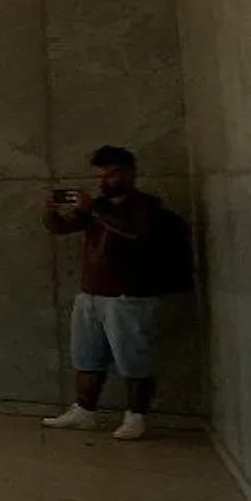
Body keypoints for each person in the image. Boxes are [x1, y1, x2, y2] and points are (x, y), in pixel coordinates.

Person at [41, 144, 168, 440]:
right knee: (87, 358)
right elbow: (62, 228)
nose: (103, 182)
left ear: (129, 174)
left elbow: (134, 231)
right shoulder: (100, 207)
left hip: (129, 295)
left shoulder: (145, 206)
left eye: (110, 175)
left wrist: (94, 209)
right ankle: (84, 409)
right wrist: (49, 213)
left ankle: (137, 415)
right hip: (92, 293)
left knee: (134, 359)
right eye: (99, 176)